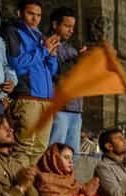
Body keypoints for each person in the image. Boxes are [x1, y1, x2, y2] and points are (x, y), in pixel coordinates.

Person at [3, 0, 59, 166]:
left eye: (38, 15)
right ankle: (16, 186)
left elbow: (52, 71)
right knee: (24, 146)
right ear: (20, 13)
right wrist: (43, 51)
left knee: (40, 147)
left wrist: (52, 55)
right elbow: (16, 63)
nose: (35, 19)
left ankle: (26, 185)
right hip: (27, 96)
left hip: (45, 99)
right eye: (30, 14)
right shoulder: (13, 32)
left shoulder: (41, 36)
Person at [48, 7, 84, 157]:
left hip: (76, 107)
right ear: (55, 25)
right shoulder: (49, 44)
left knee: (72, 154)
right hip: (60, 107)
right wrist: (77, 61)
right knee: (56, 151)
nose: (71, 31)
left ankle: (68, 181)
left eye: (72, 27)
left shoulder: (72, 50)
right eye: (67, 26)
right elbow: (56, 73)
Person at [93, 128, 126, 196]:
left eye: (124, 137)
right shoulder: (103, 168)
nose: (125, 140)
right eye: (119, 138)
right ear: (109, 146)